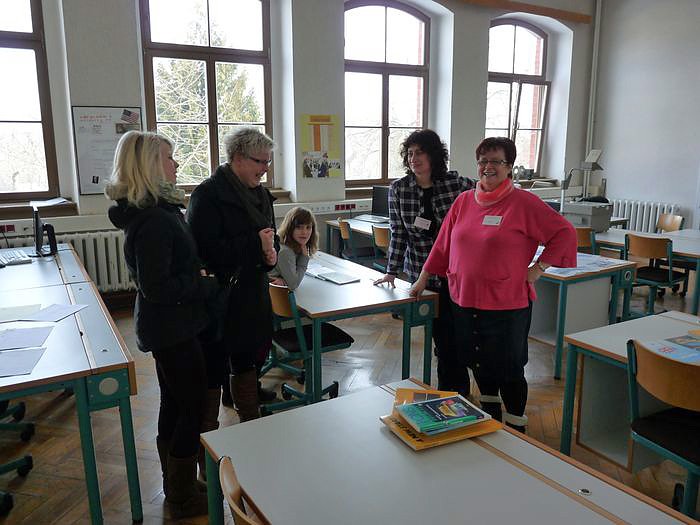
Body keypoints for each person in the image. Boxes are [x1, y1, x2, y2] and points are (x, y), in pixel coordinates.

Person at [417, 136, 577, 432]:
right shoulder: (464, 200)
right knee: (478, 362)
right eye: (483, 161)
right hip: (464, 299)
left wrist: (538, 268)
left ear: (509, 166)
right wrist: (423, 277)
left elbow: (565, 233)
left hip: (506, 304)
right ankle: (490, 415)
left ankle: (516, 425)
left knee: (508, 368)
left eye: (496, 161)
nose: (488, 167)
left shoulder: (524, 203)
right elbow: (443, 244)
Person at [106, 131, 216, 518]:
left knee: (174, 402)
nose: (176, 164)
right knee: (193, 406)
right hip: (172, 327)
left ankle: (176, 484)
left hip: (172, 324)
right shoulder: (153, 219)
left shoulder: (157, 210)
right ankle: (182, 496)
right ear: (150, 165)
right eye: (169, 157)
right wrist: (203, 282)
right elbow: (157, 287)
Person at [373, 129, 475, 397]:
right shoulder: (399, 189)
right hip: (422, 274)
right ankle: (451, 392)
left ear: (434, 155)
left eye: (420, 152)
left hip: (456, 272)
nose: (414, 158)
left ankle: (458, 391)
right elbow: (398, 233)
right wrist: (391, 271)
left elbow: (486, 195)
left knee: (459, 335)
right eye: (410, 154)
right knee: (441, 336)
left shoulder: (456, 184)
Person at [187, 127, 278, 423]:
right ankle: (206, 438)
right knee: (213, 368)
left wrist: (271, 255)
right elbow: (203, 250)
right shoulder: (207, 194)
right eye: (260, 161)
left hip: (251, 294)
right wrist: (256, 244)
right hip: (220, 298)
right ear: (238, 158)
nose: (265, 169)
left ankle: (249, 425)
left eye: (268, 162)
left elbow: (270, 237)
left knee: (247, 361)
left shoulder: (260, 194)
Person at [269, 206, 318, 290]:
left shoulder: (294, 245)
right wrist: (304, 256)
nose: (304, 232)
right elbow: (293, 285)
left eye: (308, 227)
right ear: (290, 228)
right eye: (299, 227)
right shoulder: (285, 251)